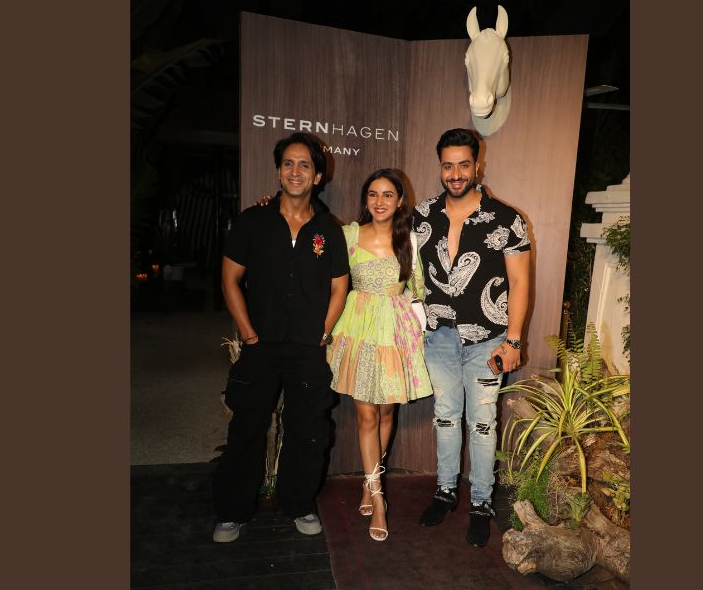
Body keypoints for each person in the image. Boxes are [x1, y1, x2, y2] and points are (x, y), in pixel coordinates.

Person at [212, 132, 349, 543]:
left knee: (308, 430)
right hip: (261, 346)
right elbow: (229, 279)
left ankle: (300, 504)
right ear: (278, 171)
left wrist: (323, 332)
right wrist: (248, 333)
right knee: (247, 428)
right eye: (288, 163)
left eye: (304, 165)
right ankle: (232, 511)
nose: (295, 171)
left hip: (308, 348)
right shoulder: (252, 221)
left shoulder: (329, 230)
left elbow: (340, 287)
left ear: (318, 176)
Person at [414, 128, 531, 548]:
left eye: (464, 165)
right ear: (440, 167)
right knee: (445, 417)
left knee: (482, 424)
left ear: (478, 165)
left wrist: (513, 341)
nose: (456, 174)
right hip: (439, 338)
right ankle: (446, 491)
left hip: (488, 340)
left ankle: (481, 503)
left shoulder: (506, 219)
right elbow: (379, 240)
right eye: (448, 166)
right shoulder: (422, 215)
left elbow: (520, 283)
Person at [326, 168, 433, 541]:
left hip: (393, 333)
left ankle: (369, 480)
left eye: (388, 195)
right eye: (373, 194)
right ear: (365, 199)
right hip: (357, 331)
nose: (380, 201)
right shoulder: (348, 235)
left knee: (387, 413)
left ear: (400, 201)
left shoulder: (410, 241)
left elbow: (418, 288)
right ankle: (378, 497)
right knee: (366, 415)